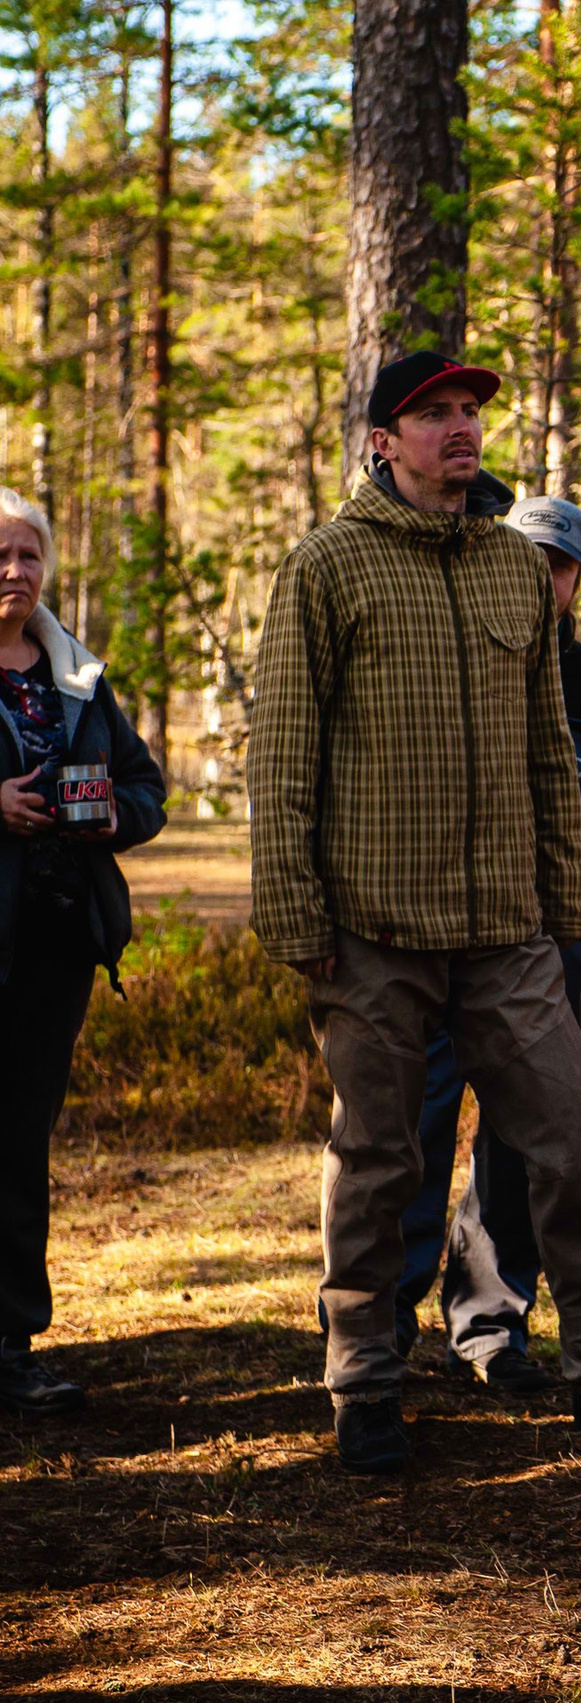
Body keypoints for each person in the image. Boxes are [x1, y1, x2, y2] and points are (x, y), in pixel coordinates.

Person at [249, 351, 581, 1472]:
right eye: (434, 414)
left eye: (470, 412)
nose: (460, 429)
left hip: (509, 933)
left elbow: (551, 764)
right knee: (375, 1159)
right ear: (382, 440)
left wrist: (563, 911)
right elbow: (282, 759)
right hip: (373, 933)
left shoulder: (516, 571)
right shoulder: (327, 570)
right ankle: (364, 1382)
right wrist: (297, 920)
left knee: (569, 1139)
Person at [383, 496, 581, 1394]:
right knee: (406, 1140)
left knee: (525, 1152)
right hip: (433, 947)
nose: (544, 582)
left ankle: (493, 1330)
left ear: (578, 579)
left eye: (561, 567)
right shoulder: (459, 661)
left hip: (543, 963)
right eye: (528, 560)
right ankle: (379, 1335)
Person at [0, 489, 165, 1417]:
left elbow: (146, 788)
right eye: (0, 556)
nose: (15, 572)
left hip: (57, 946)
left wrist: (111, 816)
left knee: (22, 1147)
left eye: (28, 555)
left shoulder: (77, 678)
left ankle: (14, 1345)